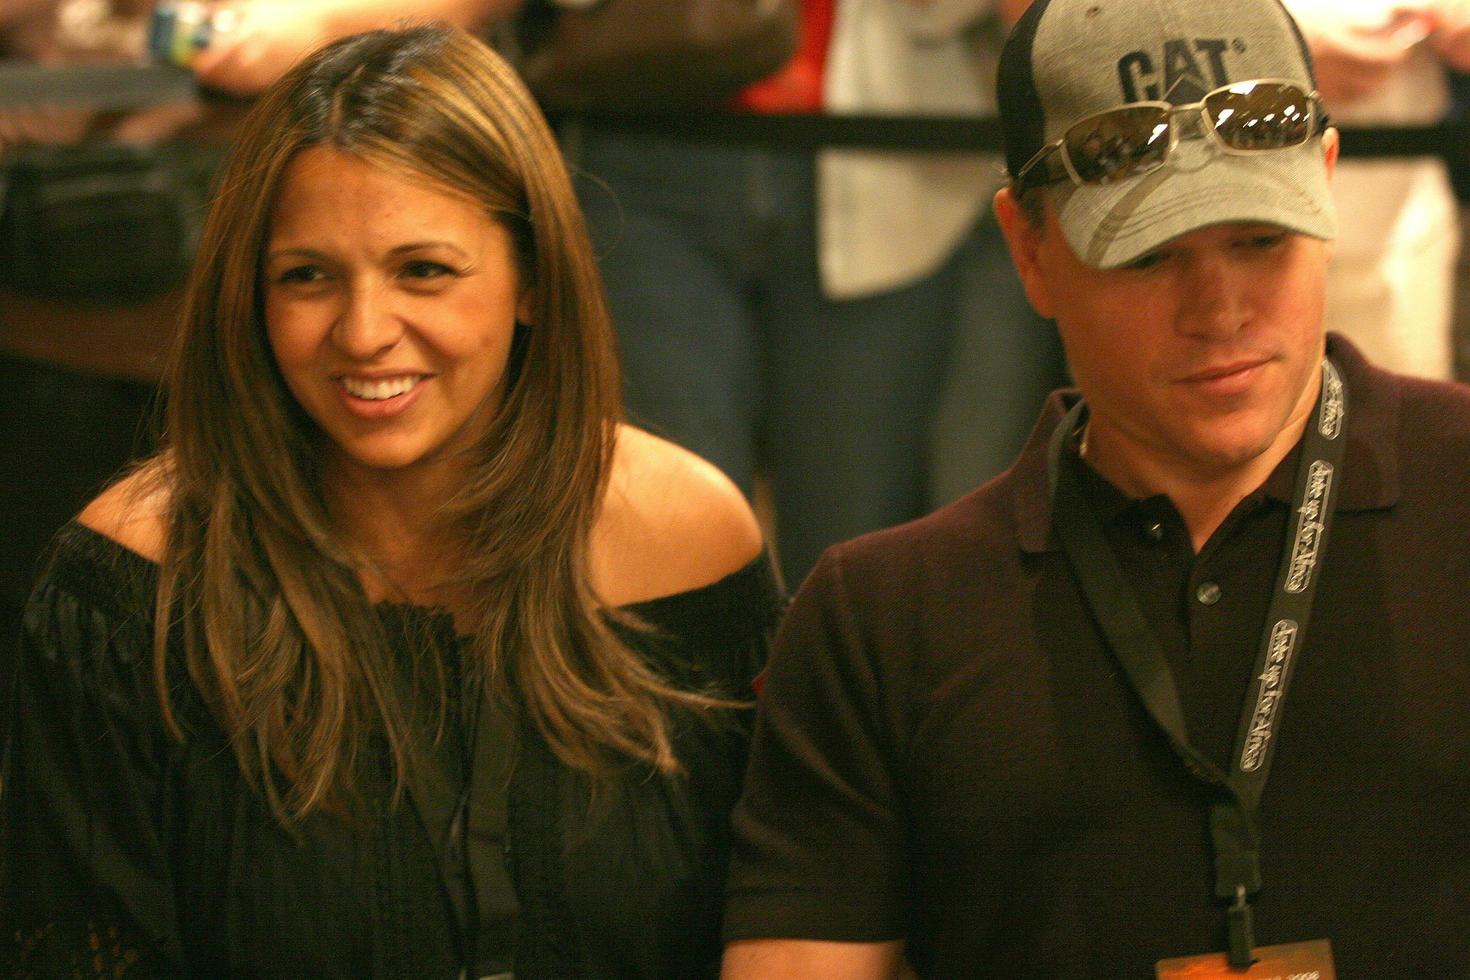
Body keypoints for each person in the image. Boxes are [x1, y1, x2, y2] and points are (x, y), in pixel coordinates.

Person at [1, 24, 781, 978]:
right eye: (308, 277)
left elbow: (775, 916)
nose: (365, 332)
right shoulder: (129, 584)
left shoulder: (692, 541)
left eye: (425, 270)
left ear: (531, 278)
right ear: (251, 293)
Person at [721, 0, 1470, 976]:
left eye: (1261, 240)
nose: (1221, 310)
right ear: (1029, 247)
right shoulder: (885, 616)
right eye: (1151, 254)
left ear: (1325, 181)